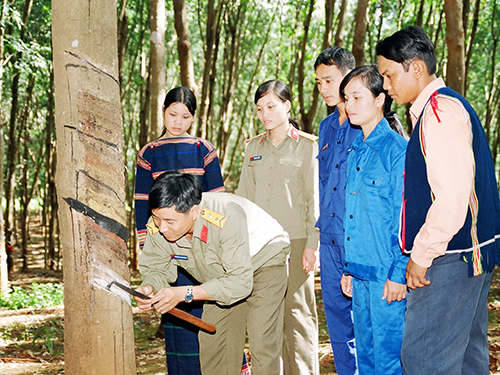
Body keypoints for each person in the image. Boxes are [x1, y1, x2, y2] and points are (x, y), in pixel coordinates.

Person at [377, 26, 500, 375]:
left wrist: (421, 255)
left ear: (415, 68)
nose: (386, 85)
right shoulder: (440, 108)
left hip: (449, 257)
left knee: (424, 359)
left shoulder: (439, 112)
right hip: (467, 255)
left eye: (389, 74)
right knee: (465, 358)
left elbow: (451, 196)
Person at [135, 171, 290, 375]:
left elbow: (240, 283)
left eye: (170, 221)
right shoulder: (159, 225)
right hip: (223, 275)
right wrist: (150, 287)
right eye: (156, 218)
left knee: (262, 342)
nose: (162, 227)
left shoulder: (225, 217)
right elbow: (155, 267)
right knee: (213, 342)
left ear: (194, 212)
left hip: (264, 258)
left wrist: (184, 293)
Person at [134, 86, 225, 375]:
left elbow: (218, 198)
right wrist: (143, 243)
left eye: (185, 116)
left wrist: (215, 241)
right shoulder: (149, 153)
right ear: (163, 112)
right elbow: (140, 201)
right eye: (172, 114)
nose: (177, 122)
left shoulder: (203, 149)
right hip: (163, 243)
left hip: (201, 244)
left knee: (204, 309)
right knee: (173, 318)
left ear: (192, 118)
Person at [238, 79, 319, 375]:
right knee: (265, 316)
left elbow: (314, 199)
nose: (265, 114)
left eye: (271, 106)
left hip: (296, 241)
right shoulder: (252, 148)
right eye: (260, 108)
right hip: (261, 245)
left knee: (298, 315)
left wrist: (313, 243)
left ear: (286, 106)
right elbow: (243, 199)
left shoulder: (307, 147)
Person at [339, 65, 408, 375]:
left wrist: (399, 272)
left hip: (386, 276)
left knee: (389, 360)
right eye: (346, 98)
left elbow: (404, 218)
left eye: (356, 97)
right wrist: (349, 268)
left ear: (380, 99)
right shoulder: (355, 150)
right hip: (361, 271)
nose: (348, 105)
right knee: (365, 359)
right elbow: (353, 217)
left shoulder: (397, 151)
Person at [313, 47, 359, 375]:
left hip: (357, 238)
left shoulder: (366, 121)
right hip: (328, 238)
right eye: (318, 83)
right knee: (338, 329)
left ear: (348, 76)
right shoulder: (325, 127)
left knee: (365, 324)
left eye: (329, 80)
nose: (324, 89)